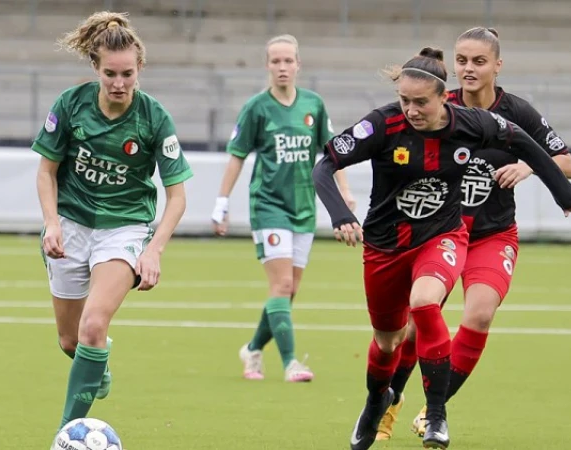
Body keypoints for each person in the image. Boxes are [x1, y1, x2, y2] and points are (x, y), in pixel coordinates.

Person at [312, 47, 571, 450]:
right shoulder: (384, 124)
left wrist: (561, 190)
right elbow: (325, 164)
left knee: (429, 303)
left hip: (449, 235)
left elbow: (525, 142)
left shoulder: (478, 121)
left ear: (441, 97)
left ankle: (436, 414)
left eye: (421, 102)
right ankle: (378, 401)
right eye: (405, 101)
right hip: (387, 244)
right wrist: (339, 215)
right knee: (390, 340)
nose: (413, 110)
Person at [32, 11, 192, 431]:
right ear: (95, 67)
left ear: (140, 68)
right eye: (110, 74)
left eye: (127, 74)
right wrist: (51, 223)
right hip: (71, 224)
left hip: (124, 229)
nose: (119, 83)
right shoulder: (70, 105)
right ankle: (97, 365)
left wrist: (154, 249)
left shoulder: (154, 118)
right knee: (72, 340)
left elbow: (177, 197)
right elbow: (46, 171)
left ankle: (67, 433)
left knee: (94, 324)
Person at [211, 34, 356, 383]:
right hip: (269, 206)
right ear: (267, 65)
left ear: (298, 64)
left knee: (288, 291)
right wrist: (222, 202)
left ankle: (253, 348)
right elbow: (237, 157)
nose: (282, 67)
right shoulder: (257, 108)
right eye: (275, 61)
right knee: (281, 285)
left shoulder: (313, 105)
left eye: (288, 61)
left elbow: (333, 152)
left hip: (304, 206)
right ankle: (291, 362)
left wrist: (345, 193)